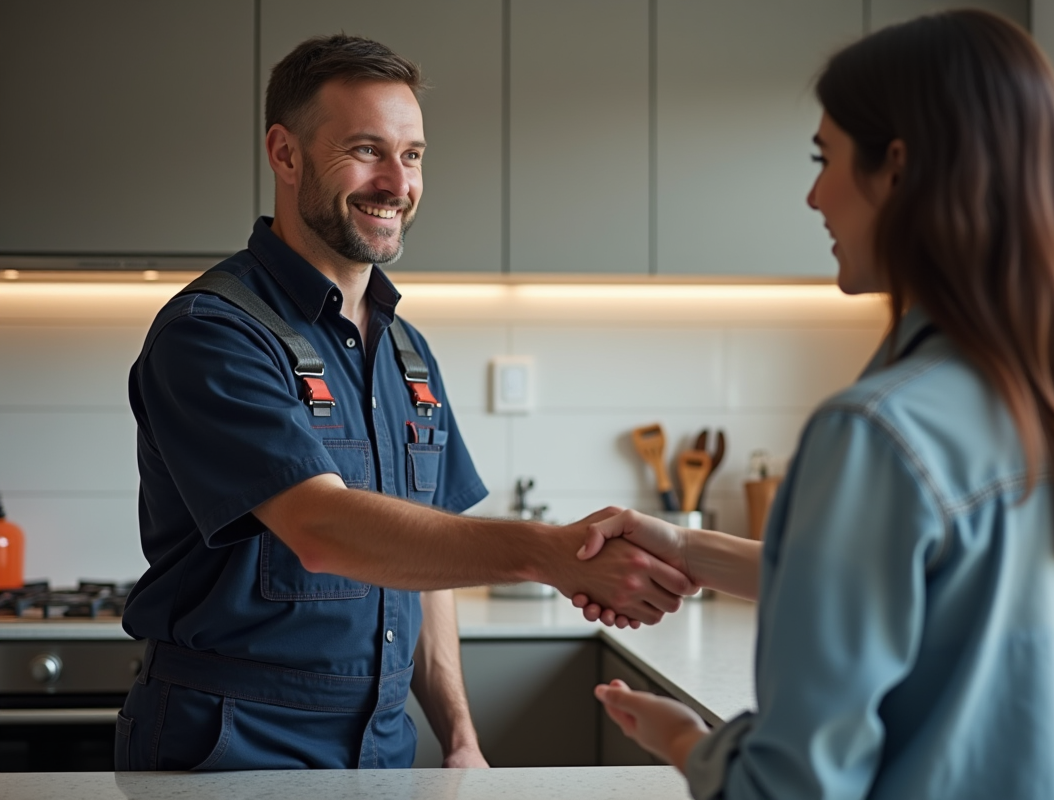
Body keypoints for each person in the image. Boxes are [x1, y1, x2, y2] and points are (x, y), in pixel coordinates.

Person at [576, 10, 1054, 799]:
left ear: (897, 169)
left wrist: (686, 741)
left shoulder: (878, 432)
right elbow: (949, 602)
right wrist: (688, 549)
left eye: (824, 158)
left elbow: (790, 786)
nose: (813, 195)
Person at [118, 34, 692, 772]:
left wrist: (460, 737)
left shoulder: (406, 352)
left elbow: (428, 558)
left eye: (412, 155)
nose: (397, 182)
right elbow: (321, 527)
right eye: (366, 150)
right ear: (285, 154)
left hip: (385, 744)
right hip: (233, 741)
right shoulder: (214, 333)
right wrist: (549, 553)